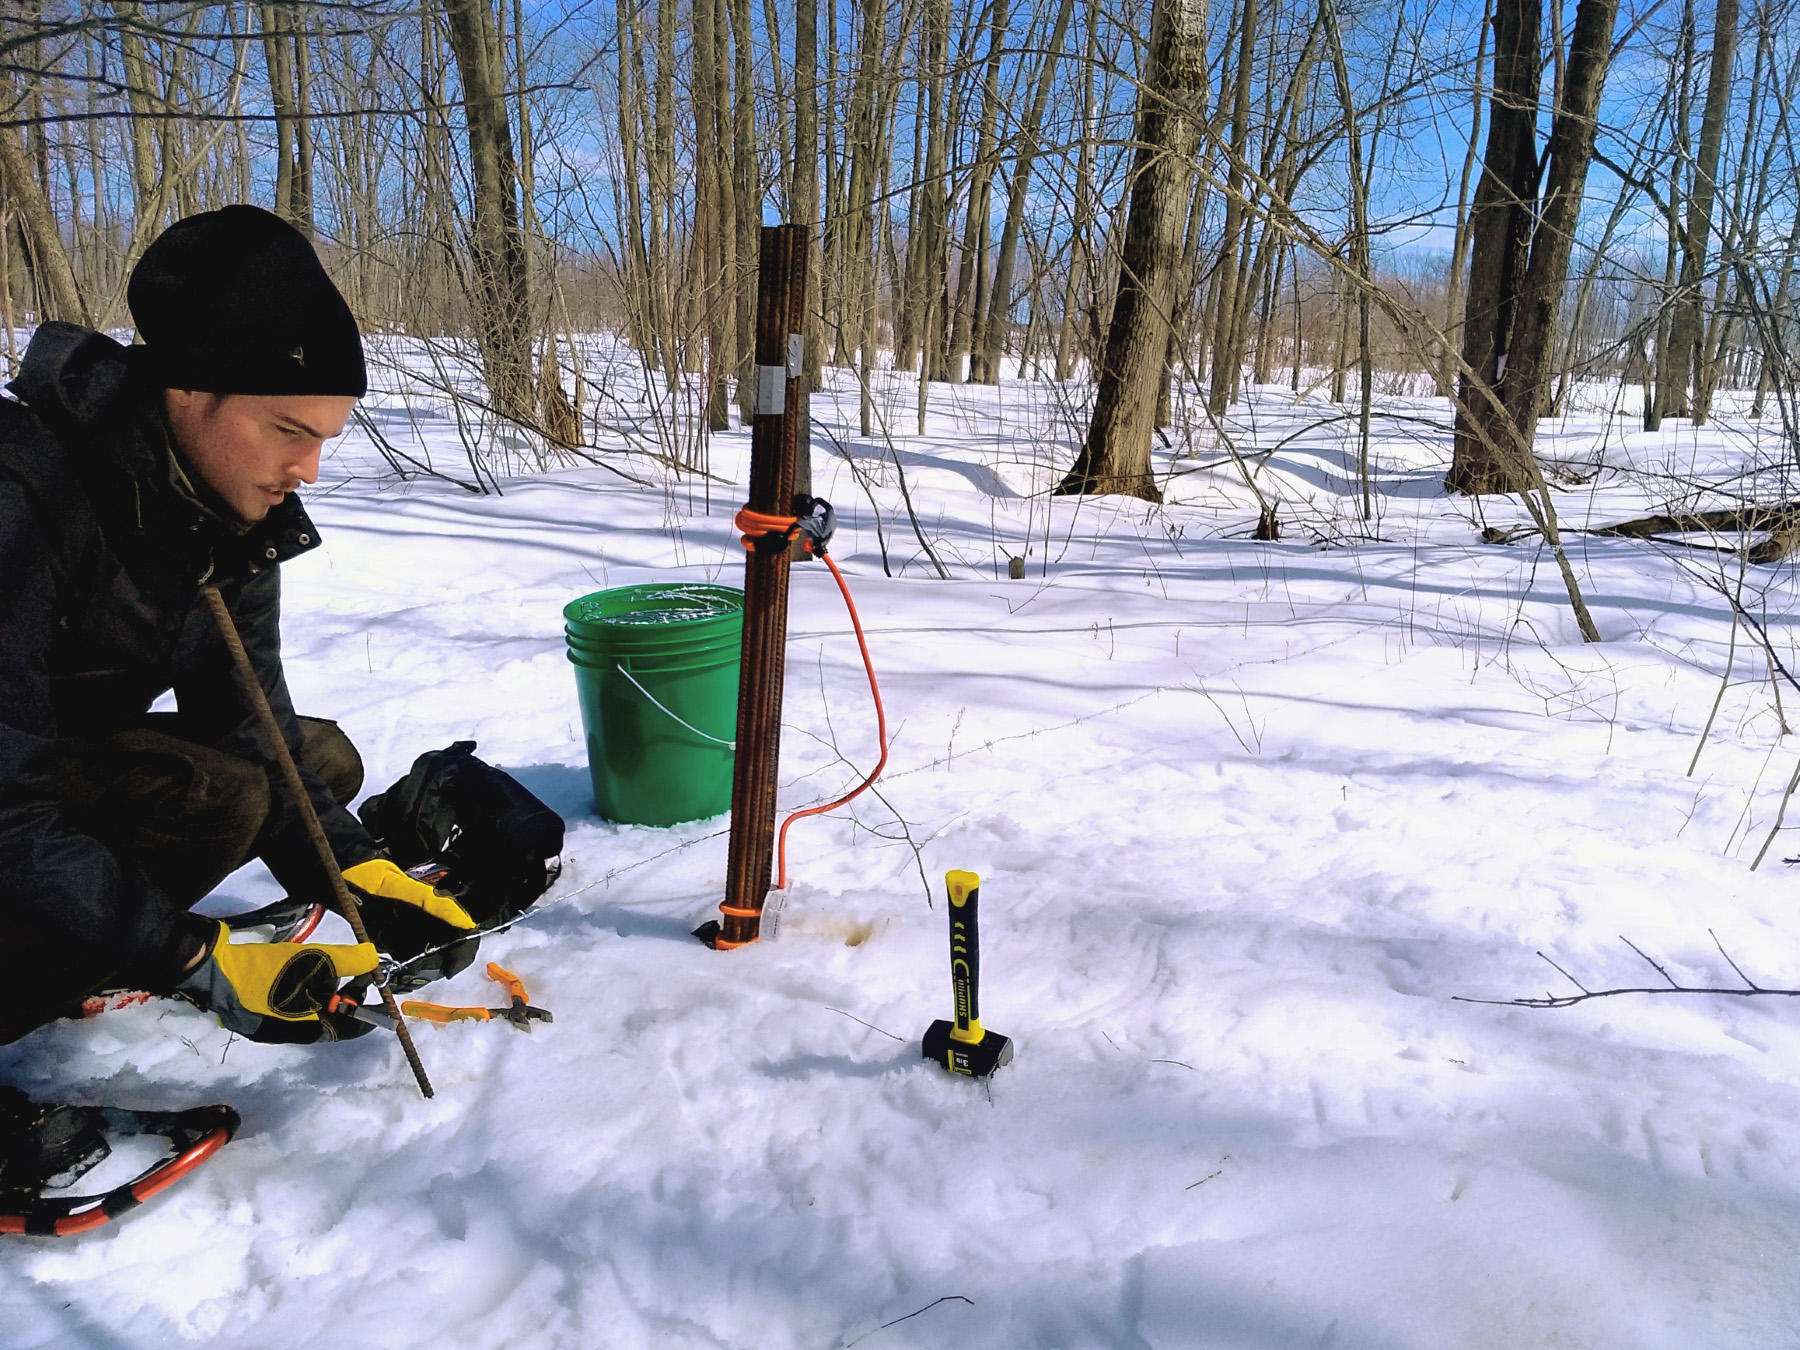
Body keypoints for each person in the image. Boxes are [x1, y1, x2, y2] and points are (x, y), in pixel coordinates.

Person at [0, 205, 476, 1049]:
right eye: (288, 432)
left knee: (313, 761)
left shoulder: (221, 510)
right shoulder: (23, 492)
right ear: (188, 387)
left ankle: (74, 945)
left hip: (49, 766)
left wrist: (354, 871)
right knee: (221, 798)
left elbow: (251, 718)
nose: (310, 470)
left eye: (326, 438)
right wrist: (187, 956)